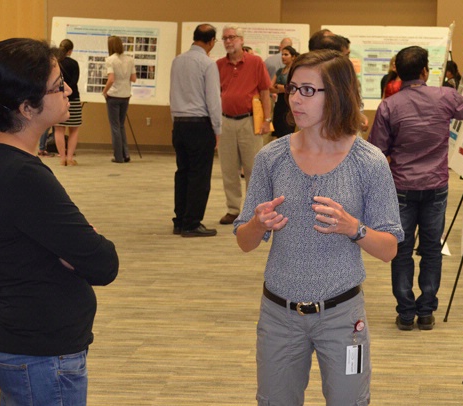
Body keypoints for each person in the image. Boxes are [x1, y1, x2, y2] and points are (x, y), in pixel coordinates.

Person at [234, 50, 404, 405]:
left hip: (343, 319)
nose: (296, 98)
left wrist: (353, 228)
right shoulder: (271, 158)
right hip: (279, 315)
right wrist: (256, 222)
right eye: (293, 88)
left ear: (338, 94)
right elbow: (244, 241)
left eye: (309, 90)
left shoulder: (368, 162)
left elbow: (389, 248)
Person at [0, 38, 119, 403]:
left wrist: (72, 252)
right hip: (42, 355)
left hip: (28, 347)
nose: (69, 90)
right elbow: (103, 262)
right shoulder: (22, 176)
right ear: (27, 107)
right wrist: (81, 247)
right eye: (58, 85)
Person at [368, 46, 463, 331]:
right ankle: (426, 311)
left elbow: (376, 149)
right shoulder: (445, 97)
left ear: (398, 74)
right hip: (436, 186)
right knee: (431, 249)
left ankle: (405, 313)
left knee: (400, 250)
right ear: (425, 71)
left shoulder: (389, 105)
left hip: (401, 187)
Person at [216, 24, 272, 225]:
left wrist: (267, 120)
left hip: (250, 121)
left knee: (253, 167)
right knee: (228, 168)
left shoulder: (255, 62)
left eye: (232, 37)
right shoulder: (219, 65)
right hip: (226, 122)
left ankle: (252, 210)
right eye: (225, 38)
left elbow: (265, 92)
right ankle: (232, 209)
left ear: (241, 39)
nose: (228, 41)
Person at [170, 24, 222, 238]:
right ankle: (192, 223)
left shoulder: (177, 61)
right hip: (200, 124)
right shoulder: (207, 64)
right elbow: (213, 99)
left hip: (179, 123)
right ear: (211, 41)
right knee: (199, 175)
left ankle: (180, 220)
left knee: (182, 172)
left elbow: (172, 93)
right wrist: (217, 129)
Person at [103, 35, 136, 163]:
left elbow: (111, 79)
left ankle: (118, 157)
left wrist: (104, 91)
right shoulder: (130, 59)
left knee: (115, 126)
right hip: (125, 95)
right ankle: (126, 154)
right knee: (121, 125)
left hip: (113, 95)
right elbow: (134, 78)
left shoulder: (110, 60)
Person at [54, 39, 82, 166]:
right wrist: (68, 91)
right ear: (70, 51)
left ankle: (62, 158)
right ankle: (70, 158)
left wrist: (61, 91)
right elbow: (74, 82)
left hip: (58, 98)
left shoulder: (55, 64)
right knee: (74, 130)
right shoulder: (74, 64)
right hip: (74, 98)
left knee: (59, 129)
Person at [269, 45, 298, 138]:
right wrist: (283, 88)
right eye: (282, 54)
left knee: (288, 129)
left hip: (289, 103)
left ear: (293, 56)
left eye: (286, 54)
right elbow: (270, 87)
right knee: (278, 129)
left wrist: (281, 88)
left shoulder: (295, 70)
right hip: (279, 103)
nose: (283, 57)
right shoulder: (280, 70)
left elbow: (295, 88)